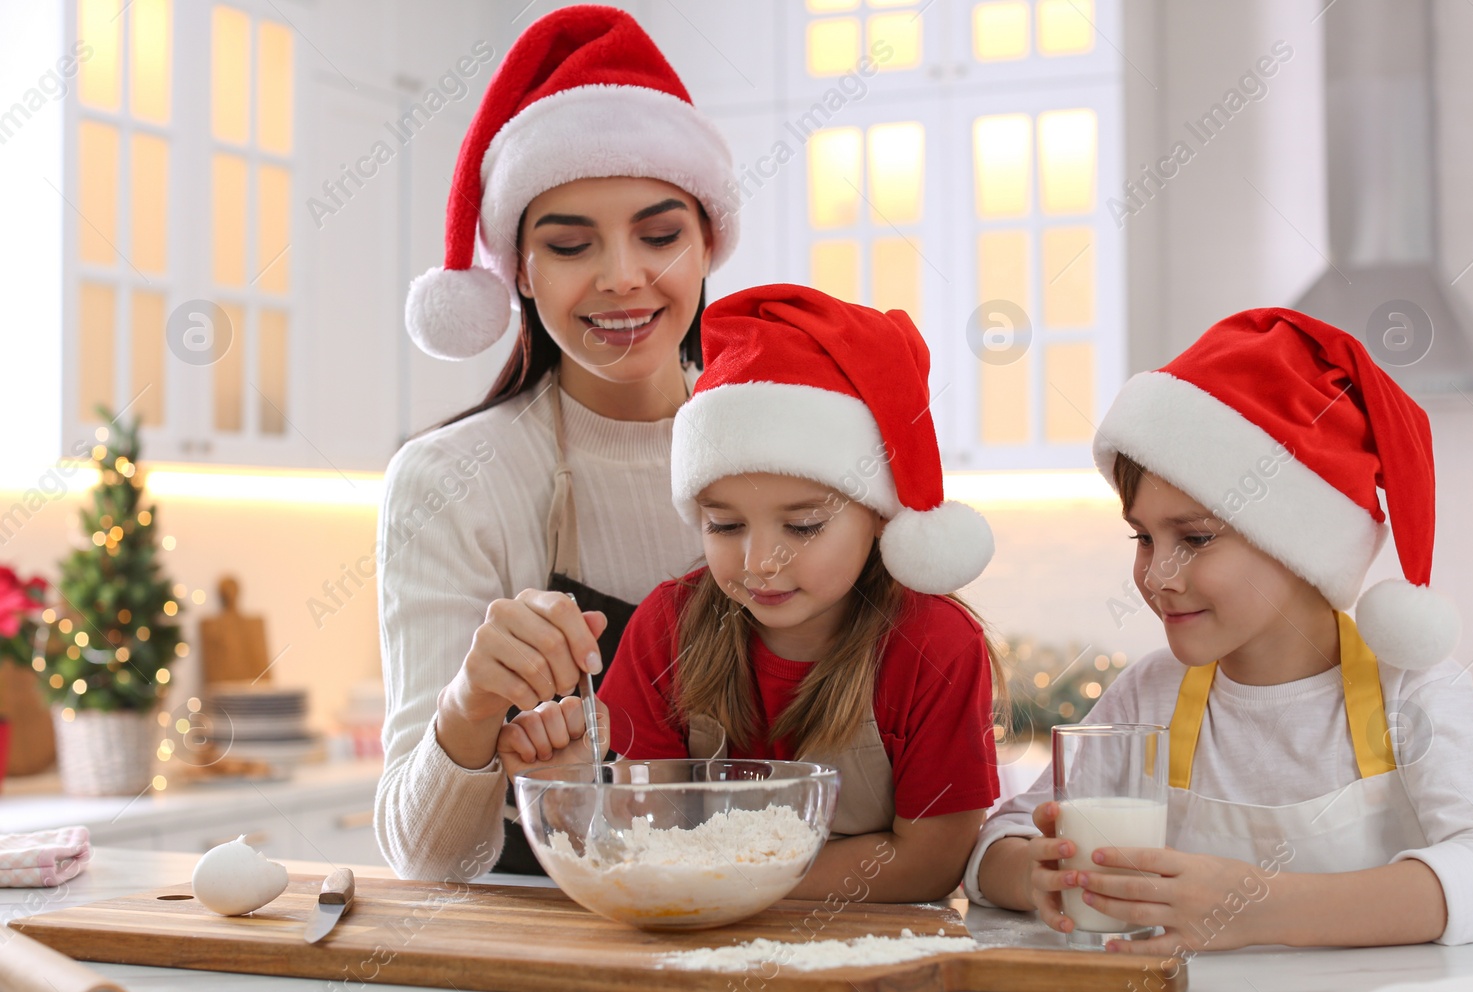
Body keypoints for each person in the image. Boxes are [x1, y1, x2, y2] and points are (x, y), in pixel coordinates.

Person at [968, 308, 1473, 950]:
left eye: (1194, 538)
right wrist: (1036, 873)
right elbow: (998, 842)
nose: (1157, 574)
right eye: (1143, 537)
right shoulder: (1150, 696)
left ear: (1300, 545)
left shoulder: (1412, 693)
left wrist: (1253, 909)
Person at [375, 6, 742, 880]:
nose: (623, 274)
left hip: (770, 937)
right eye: (571, 244)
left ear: (706, 247)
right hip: (544, 962)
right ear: (521, 272)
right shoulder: (446, 482)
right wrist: (470, 705)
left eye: (659, 235)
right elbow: (425, 860)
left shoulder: (778, 453)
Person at [497, 284, 1006, 902]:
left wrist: (731, 882)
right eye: (725, 525)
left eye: (803, 526)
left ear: (878, 513)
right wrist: (576, 786)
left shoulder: (935, 647)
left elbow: (929, 861)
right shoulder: (669, 628)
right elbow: (644, 832)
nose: (761, 562)